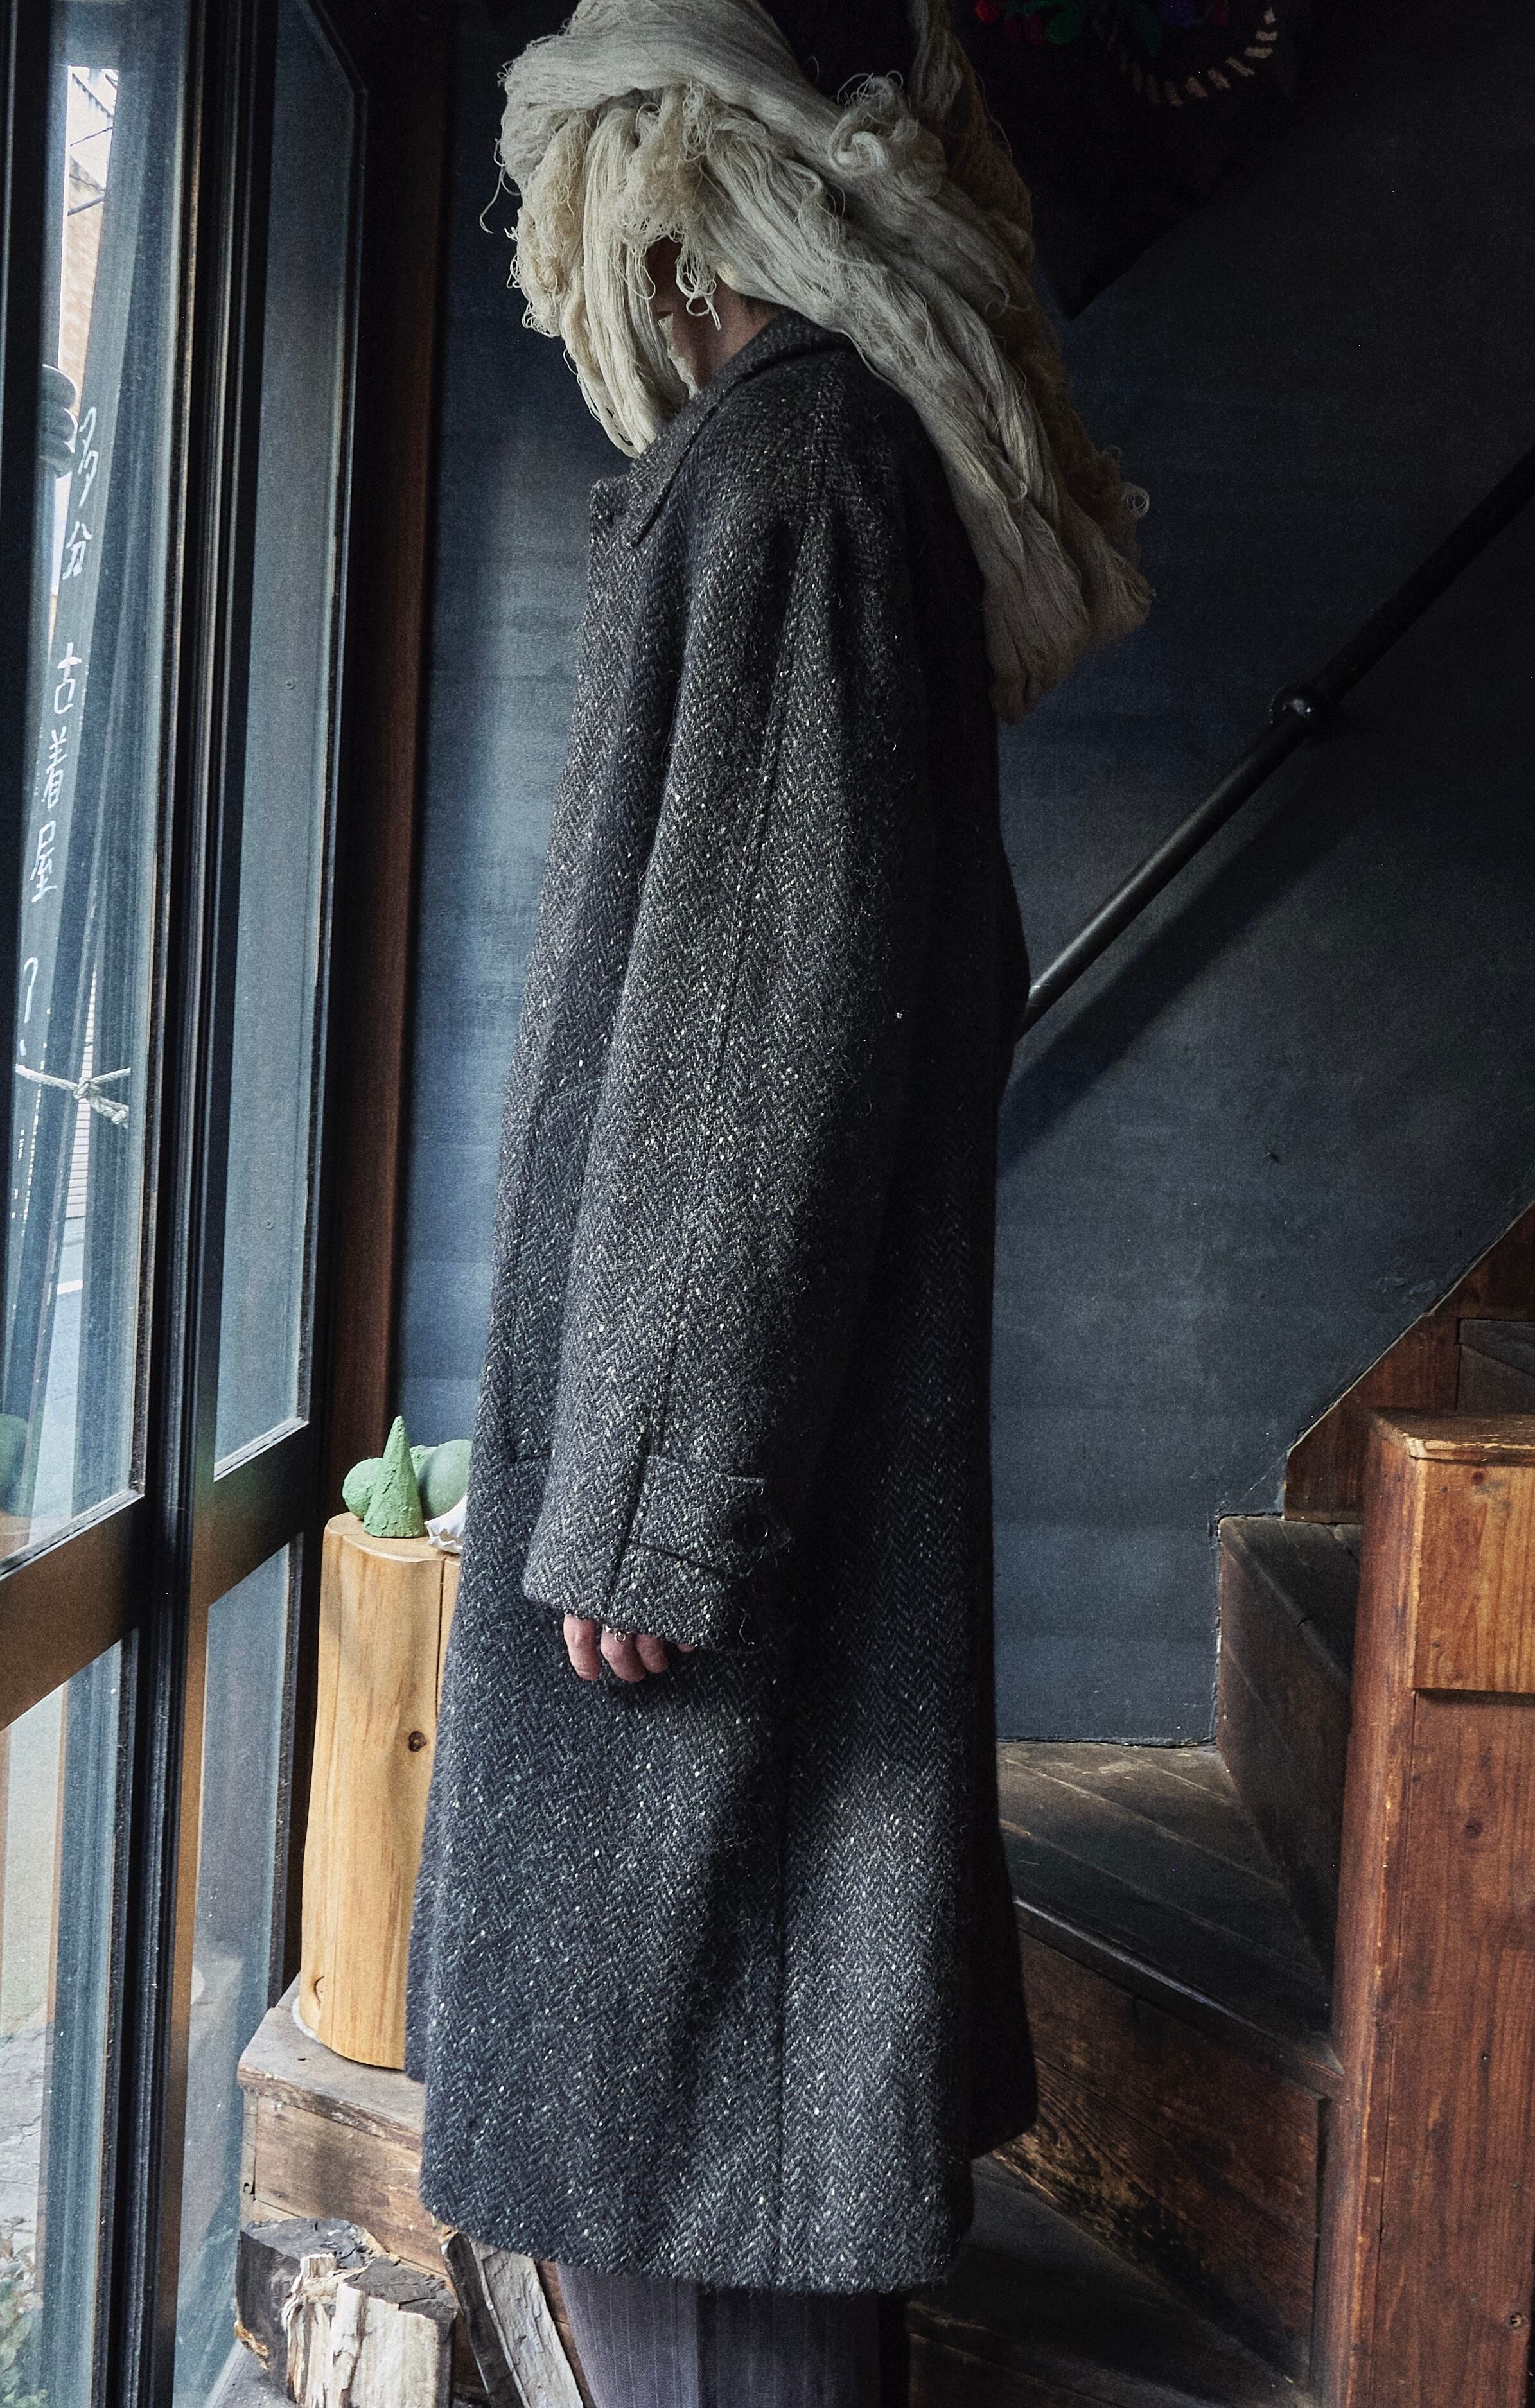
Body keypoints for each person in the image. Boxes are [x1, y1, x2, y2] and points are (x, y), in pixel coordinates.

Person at [406, 4, 1148, 2401]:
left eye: (585, 231)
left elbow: (760, 1012)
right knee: (712, 2158)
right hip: (729, 1471)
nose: (574, 294)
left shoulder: (798, 467)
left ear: (671, 226)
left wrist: (652, 1500)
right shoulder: (817, 474)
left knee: (708, 2165)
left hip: (706, 1525)